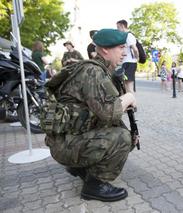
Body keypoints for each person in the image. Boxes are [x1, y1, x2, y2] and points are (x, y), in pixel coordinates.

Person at [43, 29, 137, 202]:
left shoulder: (96, 69)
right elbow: (110, 114)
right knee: (122, 138)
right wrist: (129, 96)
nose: (125, 53)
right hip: (65, 145)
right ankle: (95, 186)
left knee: (121, 131)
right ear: (105, 50)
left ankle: (80, 168)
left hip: (66, 140)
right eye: (121, 48)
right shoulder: (93, 72)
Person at [116, 19, 139, 93]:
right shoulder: (125, 36)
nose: (118, 30)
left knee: (129, 87)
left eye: (118, 27)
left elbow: (135, 49)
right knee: (126, 86)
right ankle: (130, 103)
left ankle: (133, 104)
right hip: (127, 63)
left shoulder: (129, 35)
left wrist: (137, 58)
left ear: (122, 26)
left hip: (130, 63)